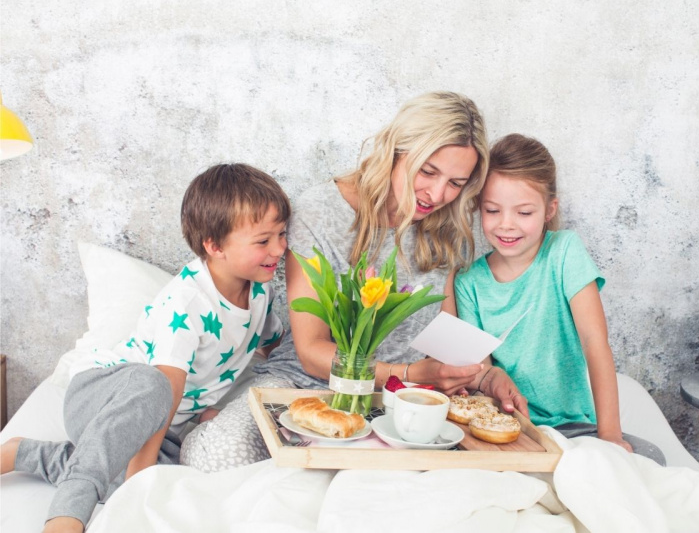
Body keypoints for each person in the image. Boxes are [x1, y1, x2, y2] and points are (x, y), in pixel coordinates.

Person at [181, 91, 528, 472]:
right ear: (396, 151)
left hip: (403, 402)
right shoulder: (320, 211)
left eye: (456, 183)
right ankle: (211, 425)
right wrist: (410, 373)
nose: (437, 194)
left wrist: (487, 374)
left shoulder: (445, 228)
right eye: (427, 172)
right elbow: (312, 351)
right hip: (303, 386)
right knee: (219, 457)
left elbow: (449, 337)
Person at [0, 163, 290, 532]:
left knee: (181, 478)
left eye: (282, 234)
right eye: (264, 240)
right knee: (148, 417)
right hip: (104, 397)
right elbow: (165, 387)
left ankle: (28, 454)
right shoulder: (187, 302)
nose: (280, 248)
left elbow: (272, 345)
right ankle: (68, 512)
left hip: (162, 425)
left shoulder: (261, 289)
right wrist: (140, 482)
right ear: (215, 246)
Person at [454, 133, 665, 464]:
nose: (506, 225)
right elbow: (483, 372)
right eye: (493, 210)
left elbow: (595, 341)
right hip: (510, 429)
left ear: (549, 210)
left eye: (524, 212)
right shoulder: (468, 281)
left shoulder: (564, 252)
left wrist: (610, 436)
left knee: (651, 458)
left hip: (575, 428)